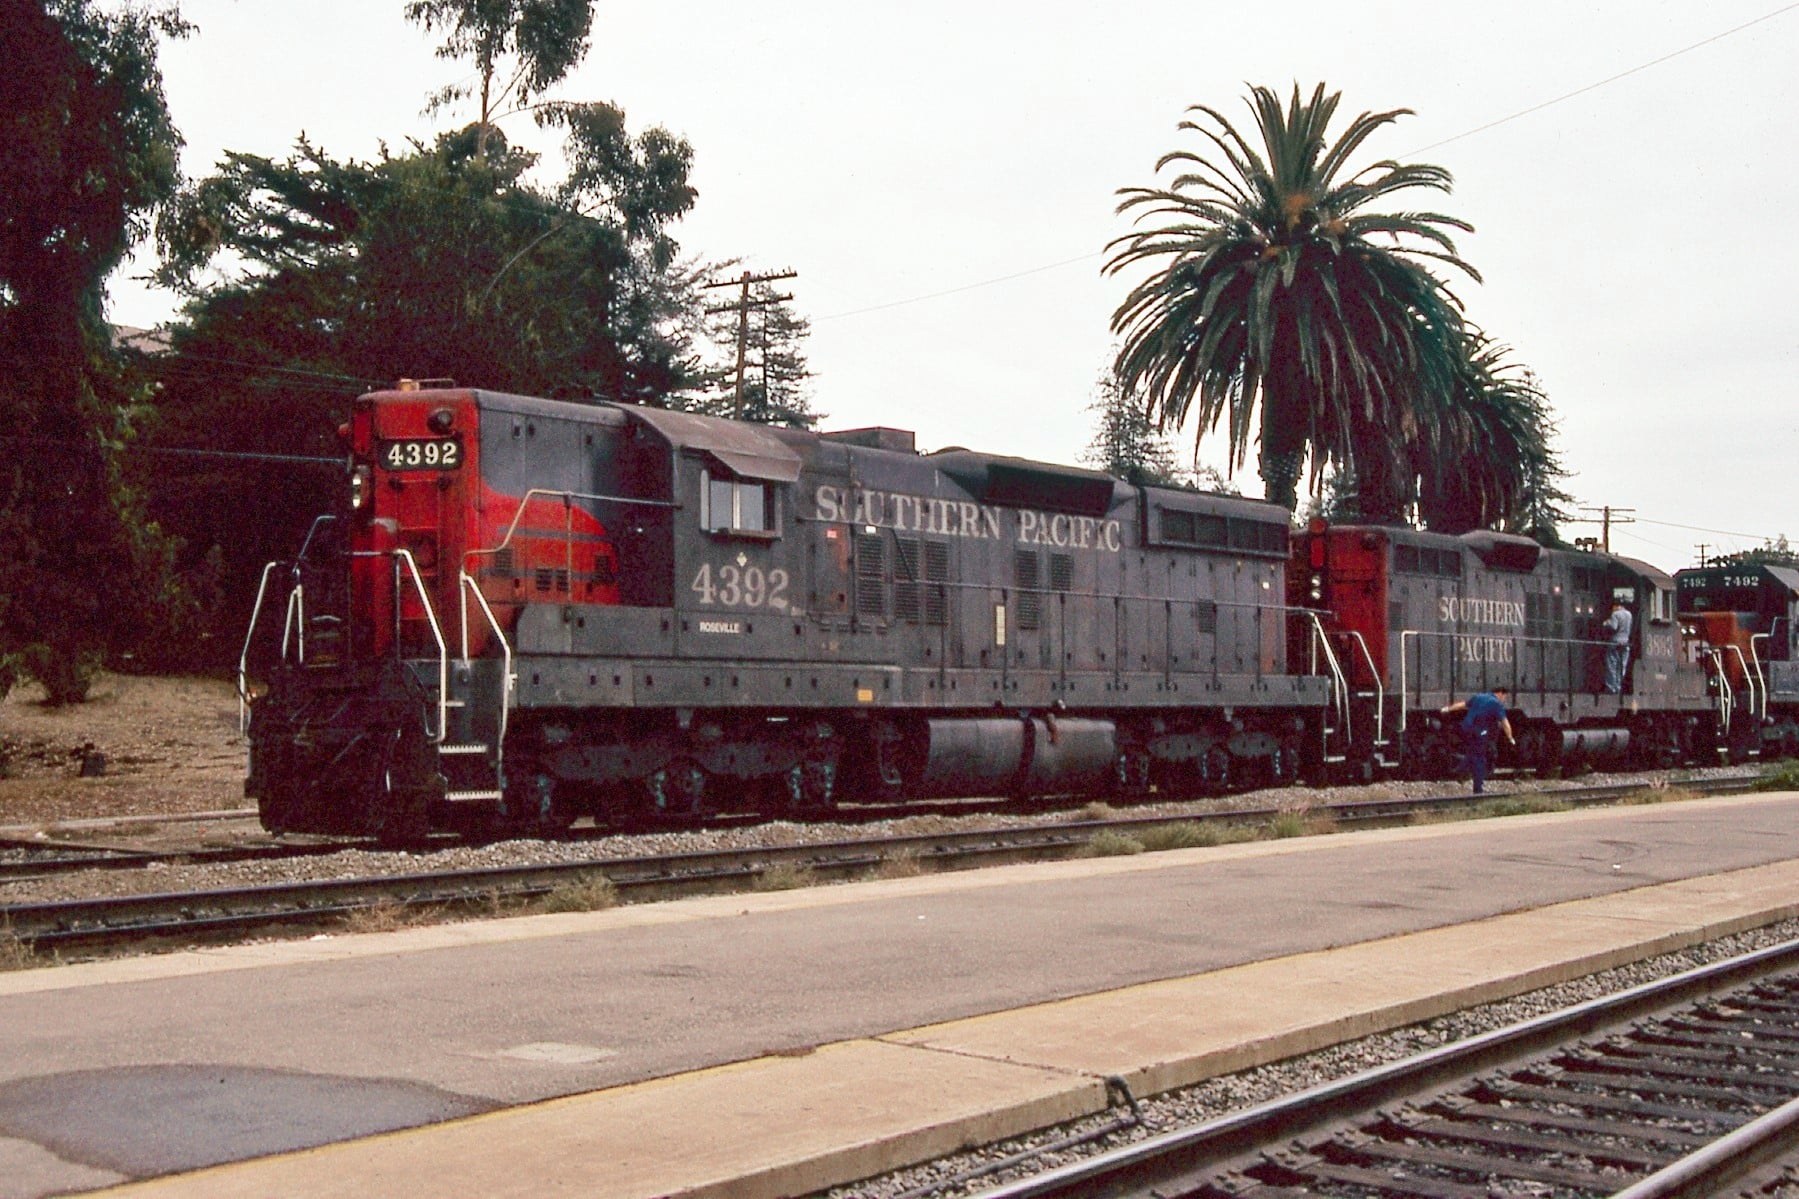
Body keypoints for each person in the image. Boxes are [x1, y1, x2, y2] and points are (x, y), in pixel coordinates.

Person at [1439, 686, 1514, 795]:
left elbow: (1462, 705)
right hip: (1479, 732)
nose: (1504, 700)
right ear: (1500, 693)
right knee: (1479, 759)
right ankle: (1477, 789)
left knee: (1472, 753)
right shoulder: (1496, 704)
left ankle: (1460, 771)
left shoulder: (1478, 697)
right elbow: (1505, 723)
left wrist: (1447, 709)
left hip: (1466, 729)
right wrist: (1510, 738)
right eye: (1505, 697)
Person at [1602, 600, 1633, 694]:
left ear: (1616, 606)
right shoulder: (1629, 614)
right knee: (1622, 666)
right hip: (1625, 642)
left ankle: (1611, 687)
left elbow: (1614, 627)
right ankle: (1618, 686)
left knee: (1612, 664)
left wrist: (1606, 623)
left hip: (1615, 642)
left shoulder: (1615, 614)